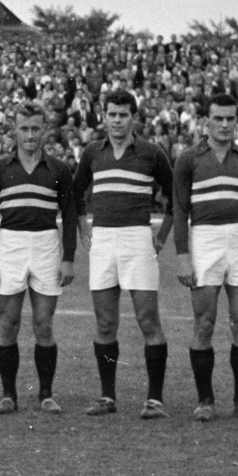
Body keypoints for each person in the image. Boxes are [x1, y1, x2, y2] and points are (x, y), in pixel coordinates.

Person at [72, 89, 174, 419]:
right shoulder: (92, 152)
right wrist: (84, 228)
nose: (117, 120)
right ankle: (107, 397)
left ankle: (154, 399)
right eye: (112, 114)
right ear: (104, 116)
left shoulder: (151, 153)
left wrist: (161, 237)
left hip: (137, 239)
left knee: (148, 319)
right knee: (105, 323)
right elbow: (75, 193)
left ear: (133, 117)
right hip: (103, 239)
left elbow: (175, 196)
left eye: (123, 114)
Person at [173, 93, 238, 422]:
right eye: (219, 118)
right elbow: (179, 208)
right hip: (205, 240)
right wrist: (183, 255)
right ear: (206, 122)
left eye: (231, 118)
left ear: (237, 121)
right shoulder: (189, 158)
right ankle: (205, 400)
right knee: (204, 323)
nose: (225, 124)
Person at [0, 101, 77, 414]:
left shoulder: (59, 169)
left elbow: (71, 215)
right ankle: (8, 395)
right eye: (24, 128)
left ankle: (46, 394)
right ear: (15, 130)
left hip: (47, 243)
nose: (30, 134)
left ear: (45, 130)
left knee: (43, 324)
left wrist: (68, 258)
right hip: (10, 244)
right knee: (7, 323)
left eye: (36, 128)